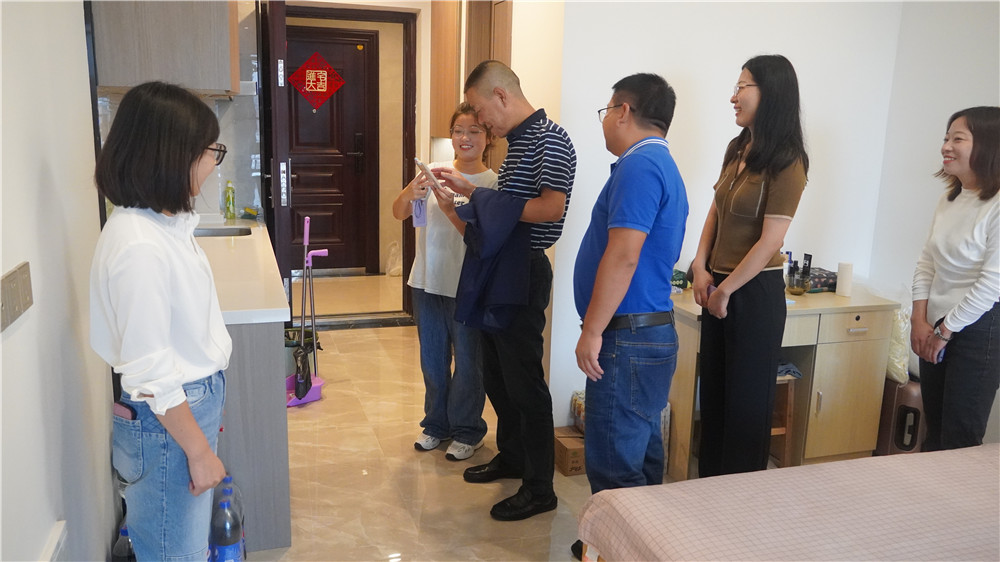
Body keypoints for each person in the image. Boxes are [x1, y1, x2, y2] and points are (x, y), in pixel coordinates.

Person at [90, 81, 232, 561]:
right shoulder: (140, 246)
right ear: (173, 156)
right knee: (177, 554)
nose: (213, 164)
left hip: (180, 411)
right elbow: (150, 370)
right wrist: (199, 450)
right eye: (210, 151)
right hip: (168, 422)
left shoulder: (161, 225)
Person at [433, 60, 577, 521]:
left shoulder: (550, 138)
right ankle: (513, 457)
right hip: (502, 269)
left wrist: (477, 196)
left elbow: (550, 209)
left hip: (525, 272)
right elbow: (506, 212)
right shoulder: (518, 144)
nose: (481, 122)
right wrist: (465, 197)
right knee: (496, 375)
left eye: (479, 110)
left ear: (500, 95)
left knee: (524, 382)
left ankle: (540, 488)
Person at [572, 73, 688, 559]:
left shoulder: (639, 167)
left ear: (623, 111)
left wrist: (592, 330)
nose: (604, 122)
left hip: (627, 337)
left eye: (606, 112)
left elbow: (623, 255)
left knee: (616, 466)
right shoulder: (659, 164)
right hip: (647, 333)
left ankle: (620, 550)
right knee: (641, 454)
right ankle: (637, 548)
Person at [690, 55, 809, 477]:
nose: (733, 97)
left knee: (745, 407)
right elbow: (715, 211)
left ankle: (740, 500)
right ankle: (708, 490)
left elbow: (771, 241)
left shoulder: (788, 160)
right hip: (716, 285)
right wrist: (700, 265)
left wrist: (726, 290)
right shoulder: (737, 147)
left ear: (770, 93)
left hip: (753, 292)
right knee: (715, 399)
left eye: (743, 87)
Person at [391, 103, 498, 461]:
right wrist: (411, 194)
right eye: (458, 130)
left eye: (474, 131)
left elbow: (485, 239)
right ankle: (436, 425)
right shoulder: (433, 171)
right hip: (426, 280)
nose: (465, 138)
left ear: (488, 138)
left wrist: (452, 206)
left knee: (468, 364)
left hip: (468, 288)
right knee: (433, 361)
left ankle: (468, 431)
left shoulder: (492, 184)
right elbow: (400, 213)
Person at [911, 106, 1000, 451]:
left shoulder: (995, 205)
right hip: (936, 323)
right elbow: (927, 263)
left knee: (959, 438)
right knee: (934, 431)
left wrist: (945, 330)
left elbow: (991, 284)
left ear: (988, 146)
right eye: (946, 138)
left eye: (957, 139)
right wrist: (919, 319)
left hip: (979, 329)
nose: (945, 146)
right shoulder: (949, 198)